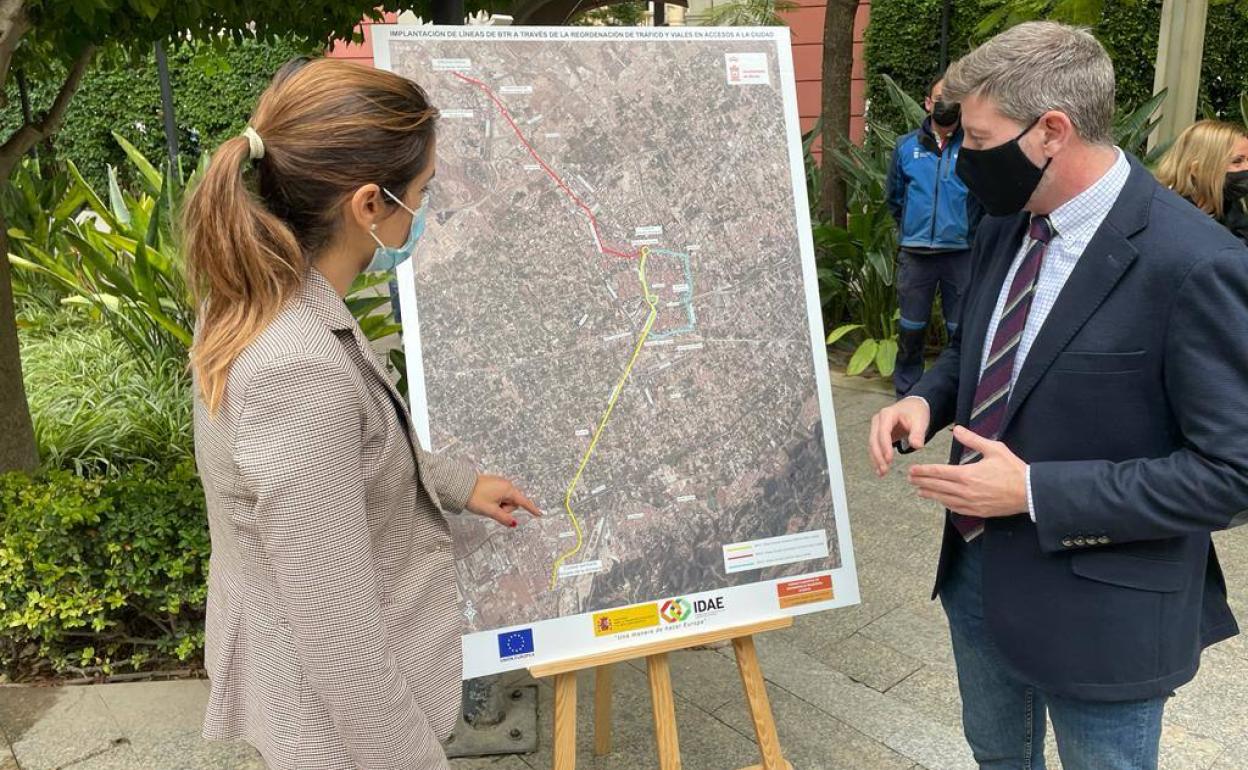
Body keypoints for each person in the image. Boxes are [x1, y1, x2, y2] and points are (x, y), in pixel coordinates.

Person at [867, 22, 1248, 770]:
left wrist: (1036, 491)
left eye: (978, 138)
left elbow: (1232, 475)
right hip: (976, 575)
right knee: (997, 756)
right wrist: (931, 400)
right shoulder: (1009, 222)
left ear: (1051, 131)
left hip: (1106, 608)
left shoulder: (1195, 264)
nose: (963, 155)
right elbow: (987, 345)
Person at [182, 57, 542, 770]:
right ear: (369, 205)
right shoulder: (297, 366)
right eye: (423, 192)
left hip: (302, 691)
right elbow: (340, 639)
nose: (425, 211)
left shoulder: (251, 297)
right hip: (340, 736)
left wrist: (454, 482)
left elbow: (338, 455)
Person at [886, 74, 983, 397]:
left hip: (959, 254)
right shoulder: (905, 147)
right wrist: (912, 228)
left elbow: (982, 197)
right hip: (916, 254)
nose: (945, 106)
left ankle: (956, 395)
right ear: (928, 103)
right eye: (940, 99)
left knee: (960, 329)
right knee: (911, 327)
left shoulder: (973, 147)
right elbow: (895, 197)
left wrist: (967, 231)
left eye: (952, 99)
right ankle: (907, 390)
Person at [1155, 119, 1248, 246]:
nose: (1246, 168)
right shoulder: (1166, 219)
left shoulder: (1232, 210)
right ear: (1197, 169)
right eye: (1237, 161)